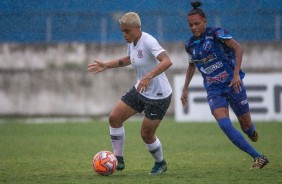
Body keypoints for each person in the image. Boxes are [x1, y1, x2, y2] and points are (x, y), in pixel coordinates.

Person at [181, 1, 269, 169]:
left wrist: (236, 74)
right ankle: (258, 157)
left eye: (196, 23)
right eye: (190, 25)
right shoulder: (190, 45)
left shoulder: (216, 33)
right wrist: (185, 89)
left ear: (205, 21)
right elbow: (192, 65)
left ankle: (250, 130)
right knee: (224, 125)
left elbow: (238, 49)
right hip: (214, 90)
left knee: (246, 125)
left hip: (232, 84)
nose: (193, 27)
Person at [87, 12, 172, 175]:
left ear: (138, 28)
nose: (124, 35)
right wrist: (106, 65)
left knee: (146, 135)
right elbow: (129, 59)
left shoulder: (149, 41)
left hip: (159, 95)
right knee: (114, 118)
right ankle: (118, 159)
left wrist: (148, 76)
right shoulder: (132, 42)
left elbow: (167, 61)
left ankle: (160, 163)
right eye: (122, 31)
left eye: (127, 31)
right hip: (141, 89)